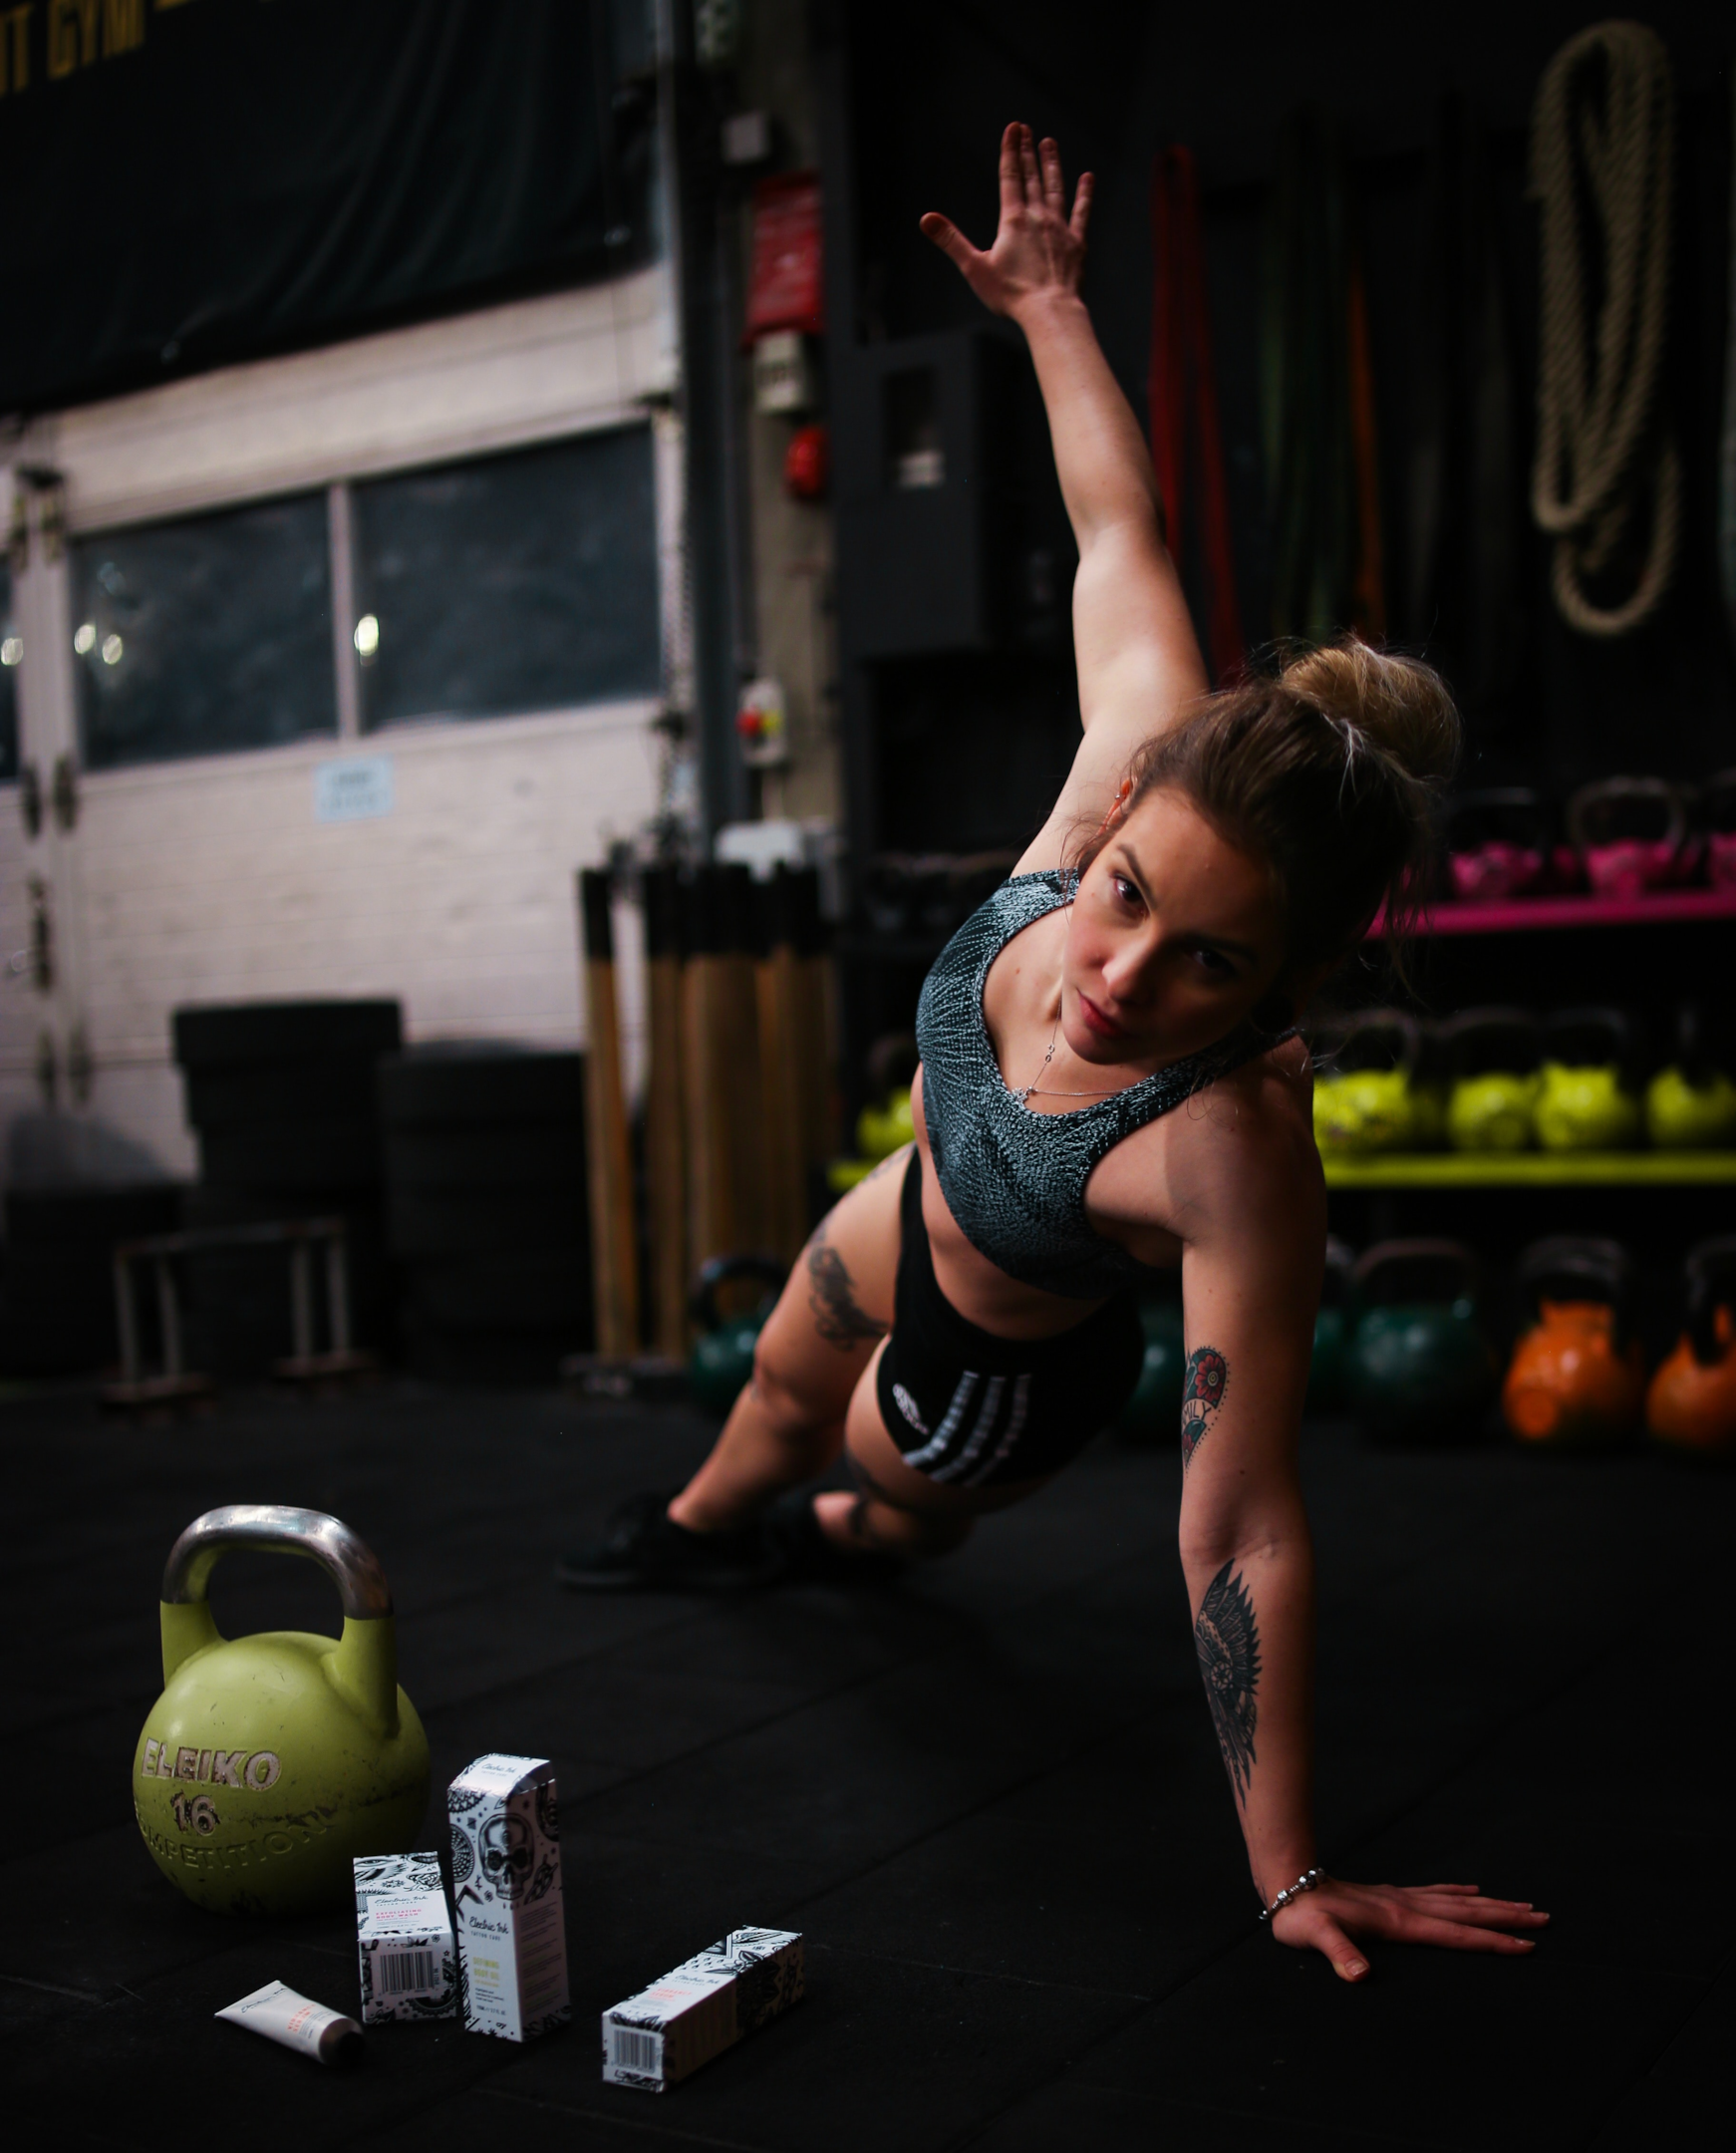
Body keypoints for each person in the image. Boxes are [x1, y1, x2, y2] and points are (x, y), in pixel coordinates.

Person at [562, 124, 1547, 1982]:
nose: (1112, 975)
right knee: (773, 1372)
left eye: (1204, 966)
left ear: (1301, 973)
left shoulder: (1231, 1150)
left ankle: (856, 1532)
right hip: (917, 1196)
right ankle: (701, 1525)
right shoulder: (1139, 768)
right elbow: (1119, 529)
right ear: (1122, 809)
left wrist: (1287, 1867)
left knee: (861, 1486)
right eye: (1114, 898)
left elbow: (1243, 1524)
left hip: (1002, 1361)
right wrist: (1046, 311)